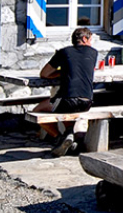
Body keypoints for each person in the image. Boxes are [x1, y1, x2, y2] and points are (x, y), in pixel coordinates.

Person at [33, 27, 98, 156]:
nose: (91, 43)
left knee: (37, 111)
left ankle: (61, 137)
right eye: (91, 40)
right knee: (69, 109)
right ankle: (72, 141)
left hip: (68, 101)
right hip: (87, 101)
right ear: (84, 39)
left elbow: (44, 73)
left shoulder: (64, 52)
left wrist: (61, 73)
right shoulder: (93, 53)